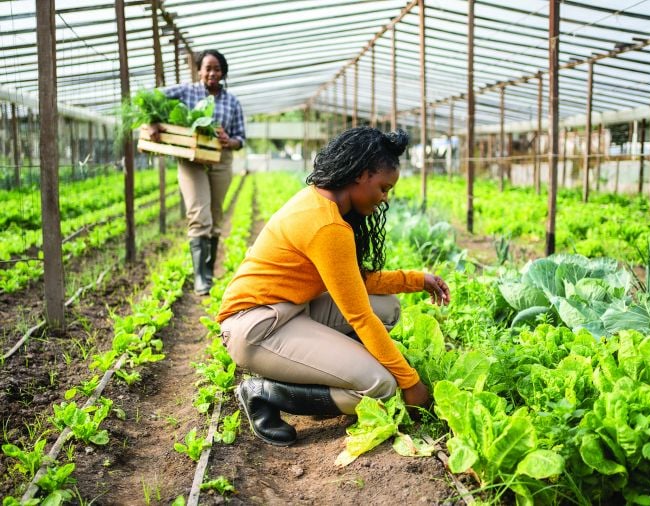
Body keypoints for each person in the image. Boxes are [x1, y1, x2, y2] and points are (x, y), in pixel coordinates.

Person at [216, 127, 450, 446]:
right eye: (383, 188)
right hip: (256, 329)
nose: (385, 199)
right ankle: (264, 393)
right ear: (361, 175)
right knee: (381, 387)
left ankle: (324, 373)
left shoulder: (319, 201)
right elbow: (359, 316)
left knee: (388, 307)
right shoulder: (328, 225)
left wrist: (416, 280)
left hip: (289, 310)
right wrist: (411, 384)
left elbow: (356, 283)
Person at [148, 49, 246, 295]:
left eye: (217, 68)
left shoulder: (232, 101)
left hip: (221, 160)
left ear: (223, 72)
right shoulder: (186, 91)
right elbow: (152, 98)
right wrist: (153, 122)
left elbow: (241, 138)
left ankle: (209, 271)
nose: (212, 73)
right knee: (199, 214)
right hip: (191, 159)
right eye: (207, 68)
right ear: (199, 70)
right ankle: (200, 278)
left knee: (215, 216)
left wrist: (229, 140)